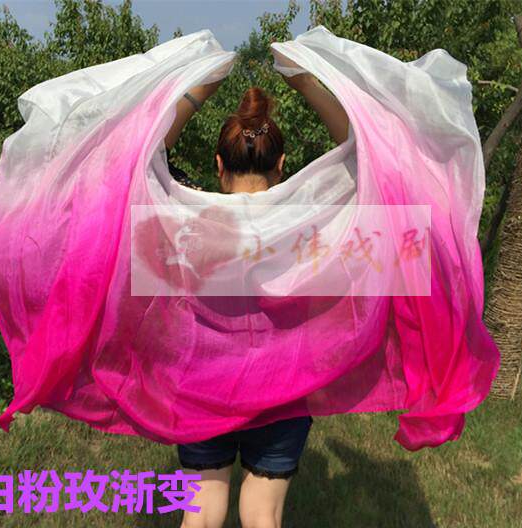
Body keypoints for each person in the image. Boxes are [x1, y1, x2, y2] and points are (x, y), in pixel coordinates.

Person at [163, 57, 350, 528]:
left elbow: (141, 155)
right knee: (262, 514)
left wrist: (202, 87)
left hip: (202, 382)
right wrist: (304, 81)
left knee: (201, 511)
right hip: (284, 384)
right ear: (282, 166)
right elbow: (364, 151)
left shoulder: (187, 220)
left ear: (218, 164)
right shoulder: (309, 221)